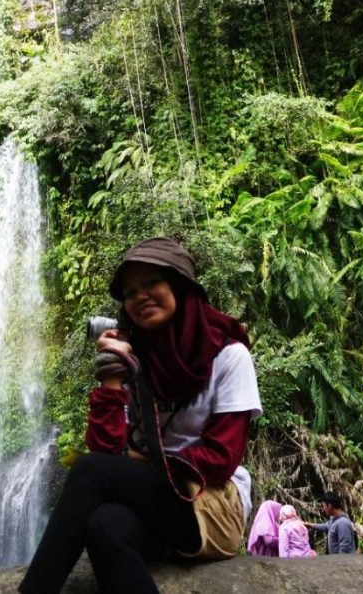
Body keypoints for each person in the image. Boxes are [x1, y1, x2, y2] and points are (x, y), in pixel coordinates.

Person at [19, 238, 262, 593]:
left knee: (89, 470)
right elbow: (106, 447)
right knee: (105, 525)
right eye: (131, 292)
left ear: (179, 286)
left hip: (211, 505)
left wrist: (147, 461)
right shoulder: (136, 360)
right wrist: (112, 380)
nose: (140, 296)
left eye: (151, 283)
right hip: (161, 507)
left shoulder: (229, 356)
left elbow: (222, 459)